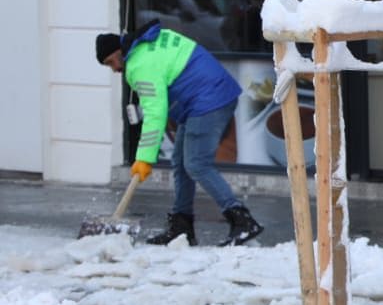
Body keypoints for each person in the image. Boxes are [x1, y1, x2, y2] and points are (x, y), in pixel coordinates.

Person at [96, 22, 263, 247]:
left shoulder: (139, 65)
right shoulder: (148, 42)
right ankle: (182, 227)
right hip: (206, 96)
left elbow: (155, 112)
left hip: (208, 100)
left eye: (111, 62)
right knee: (181, 162)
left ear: (118, 52)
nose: (115, 69)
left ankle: (242, 219)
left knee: (196, 163)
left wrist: (144, 157)